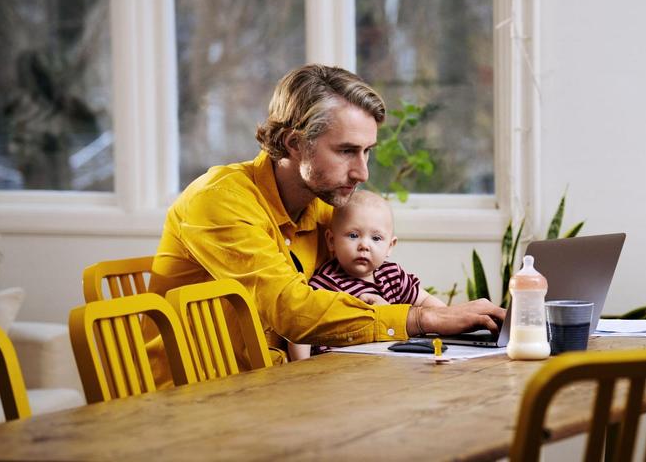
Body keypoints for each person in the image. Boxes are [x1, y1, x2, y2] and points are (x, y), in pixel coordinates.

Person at [146, 64, 504, 386]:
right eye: (347, 151)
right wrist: (423, 320)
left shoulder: (323, 205)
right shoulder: (219, 200)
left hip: (280, 386)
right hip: (196, 397)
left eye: (367, 152)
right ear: (295, 143)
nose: (362, 172)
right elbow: (292, 309)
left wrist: (446, 313)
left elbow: (354, 286)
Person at [289, 190, 446, 360]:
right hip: (338, 368)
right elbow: (300, 328)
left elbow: (434, 308)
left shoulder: (393, 276)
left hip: (390, 365)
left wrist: (443, 320)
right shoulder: (326, 285)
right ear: (331, 241)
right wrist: (303, 368)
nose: (364, 245)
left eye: (376, 238)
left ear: (390, 246)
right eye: (353, 235)